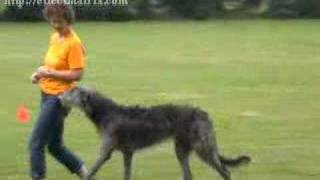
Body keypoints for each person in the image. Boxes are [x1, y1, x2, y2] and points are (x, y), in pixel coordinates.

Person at [29, 2, 88, 180]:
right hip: (46, 93)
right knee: (55, 146)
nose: (56, 25)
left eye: (59, 22)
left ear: (68, 19)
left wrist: (50, 72)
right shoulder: (55, 37)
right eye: (52, 21)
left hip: (60, 98)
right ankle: (87, 175)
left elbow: (77, 74)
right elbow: (51, 64)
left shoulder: (74, 43)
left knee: (35, 143)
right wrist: (39, 73)